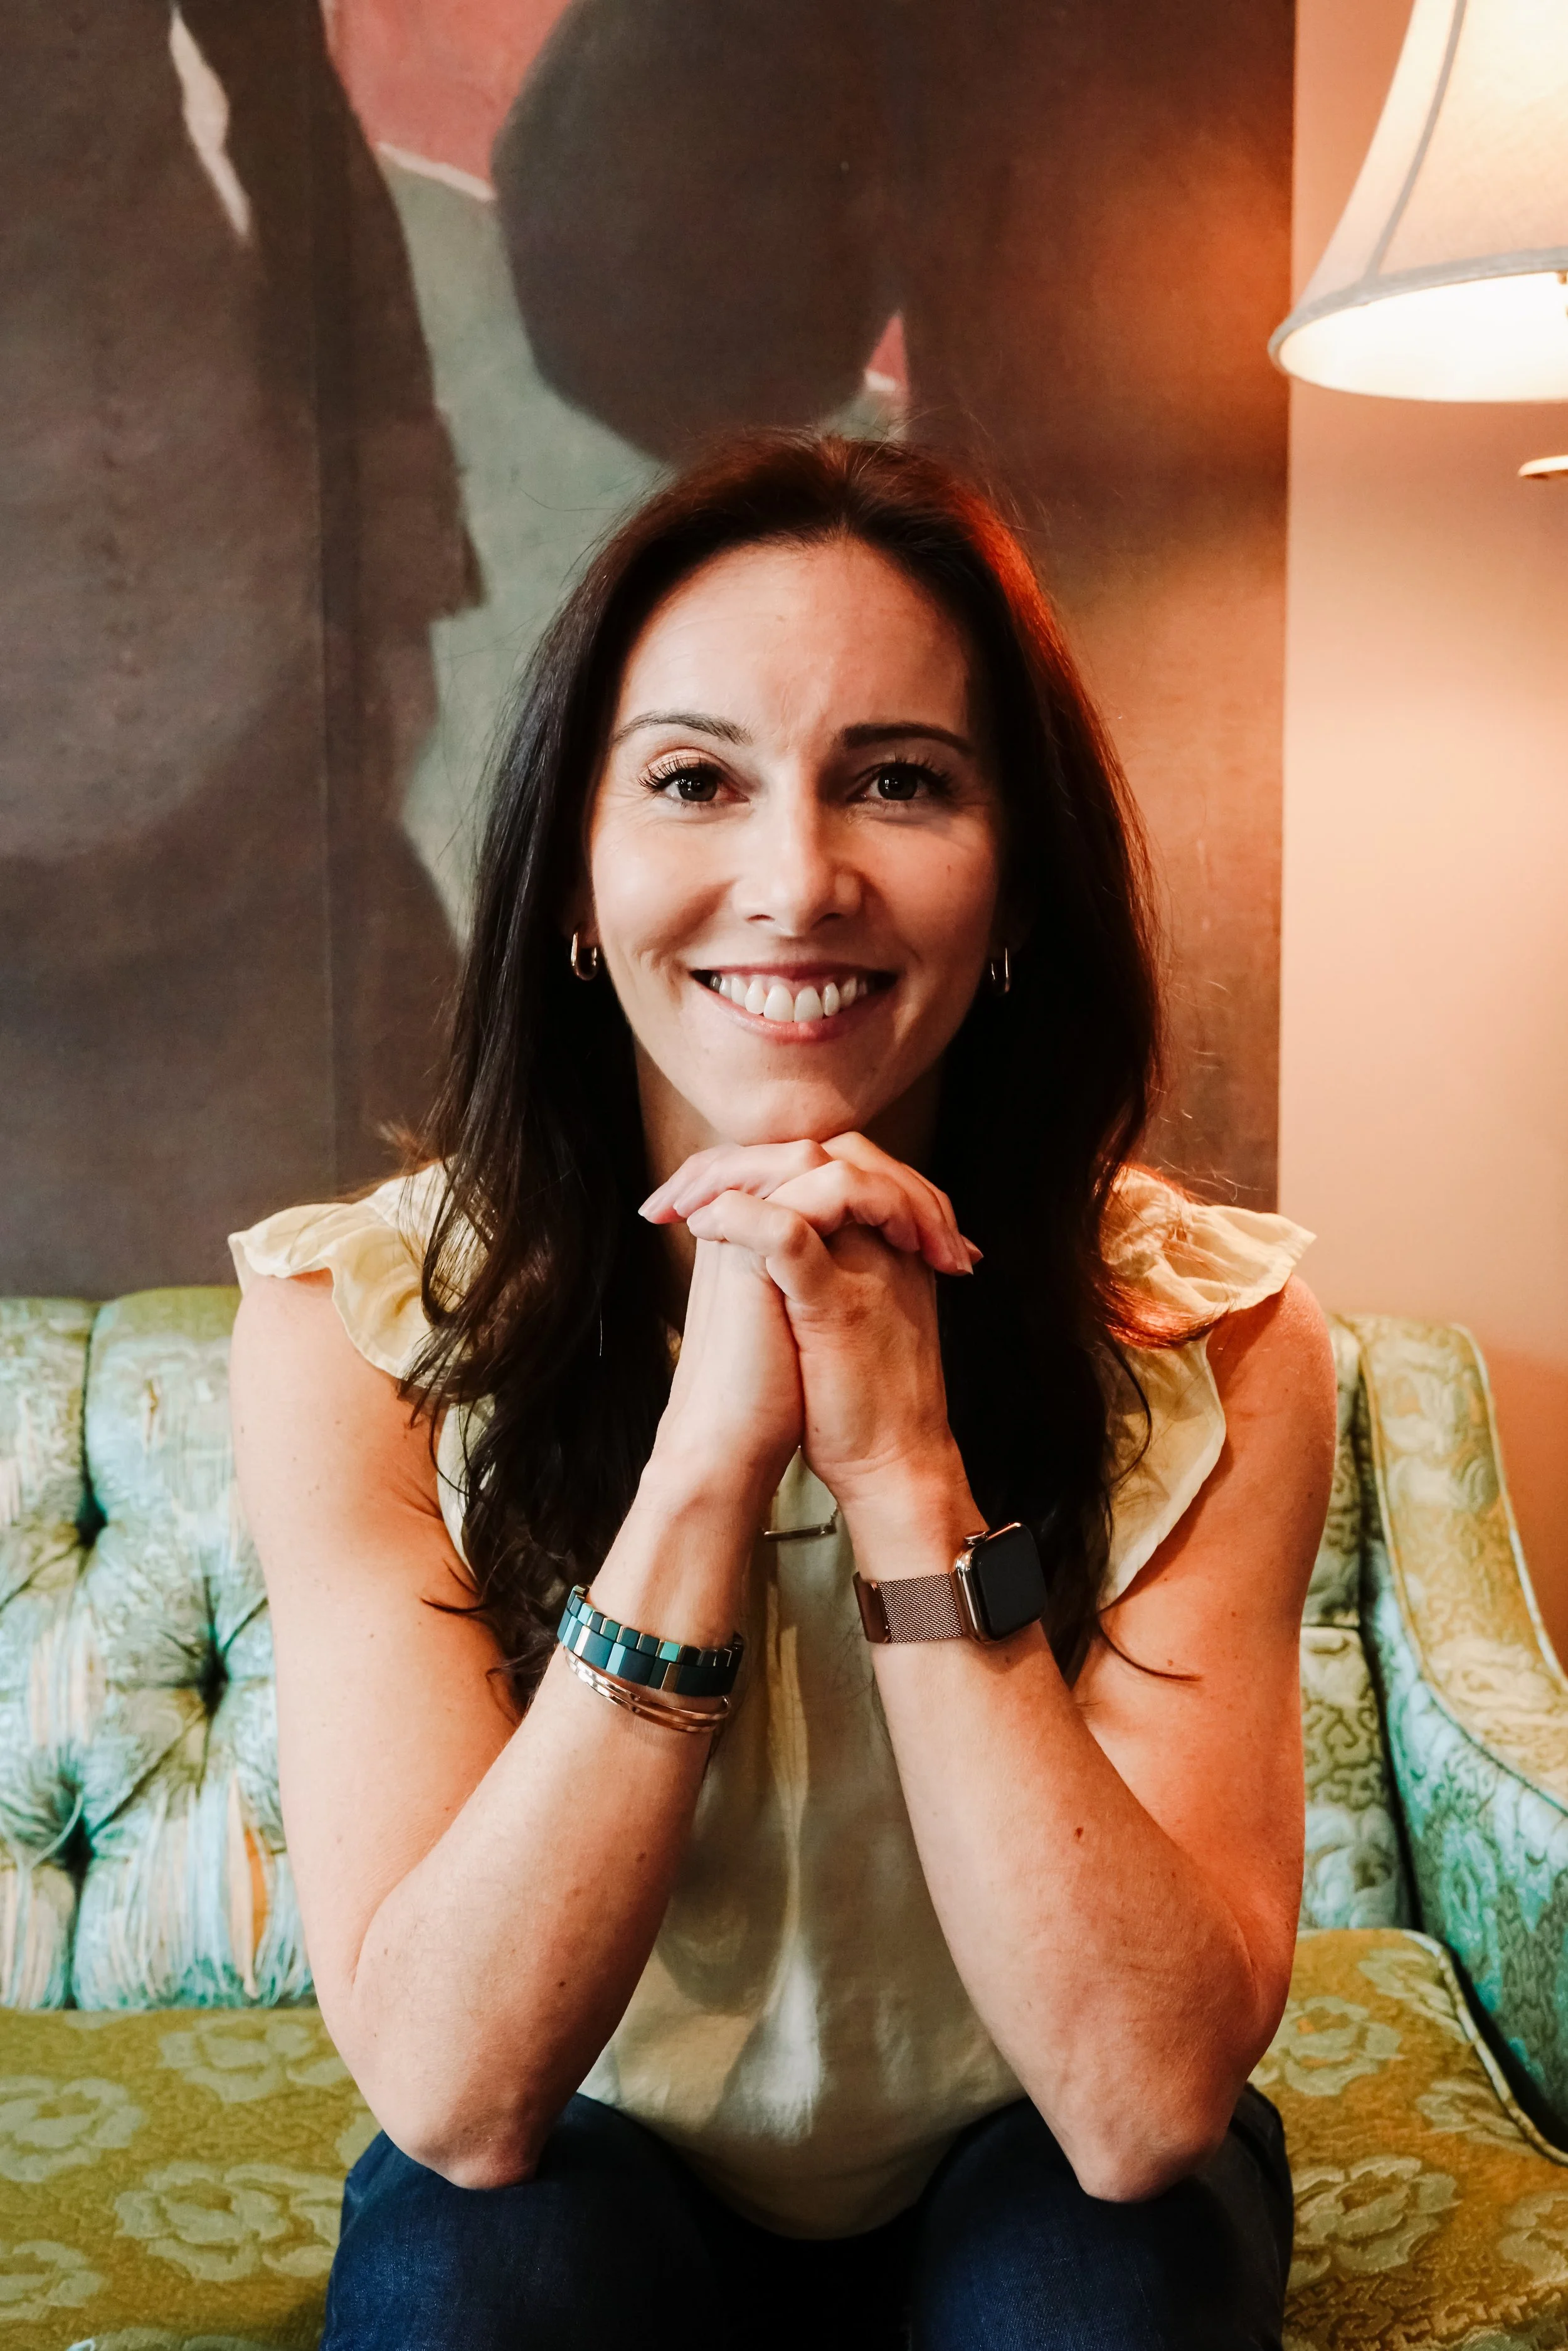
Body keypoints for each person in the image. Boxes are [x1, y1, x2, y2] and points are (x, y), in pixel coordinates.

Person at [228, 433, 1335, 2350]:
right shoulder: (358, 1326)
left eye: (898, 779)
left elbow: (1145, 2097)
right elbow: (455, 2090)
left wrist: (904, 1466)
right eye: (692, 780)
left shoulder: (1213, 1334)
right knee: (459, 2274)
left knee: (1099, 2288)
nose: (796, 876)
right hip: (588, 2165)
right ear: (578, 878)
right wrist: (706, 1462)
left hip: (1038, 2151)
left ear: (1012, 884)